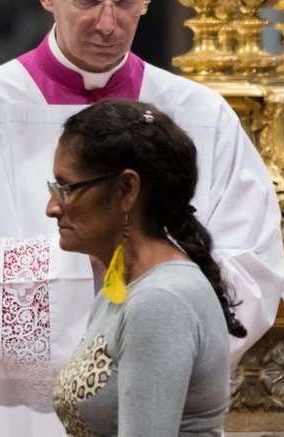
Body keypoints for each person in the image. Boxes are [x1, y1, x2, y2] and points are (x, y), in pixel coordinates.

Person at [0, 0, 284, 436]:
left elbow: (249, 273)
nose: (108, 22)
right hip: (19, 417)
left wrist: (151, 326)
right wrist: (120, 266)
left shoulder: (200, 115)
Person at [48, 99, 235, 436]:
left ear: (126, 189)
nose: (52, 207)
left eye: (66, 188)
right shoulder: (125, 283)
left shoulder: (160, 301)